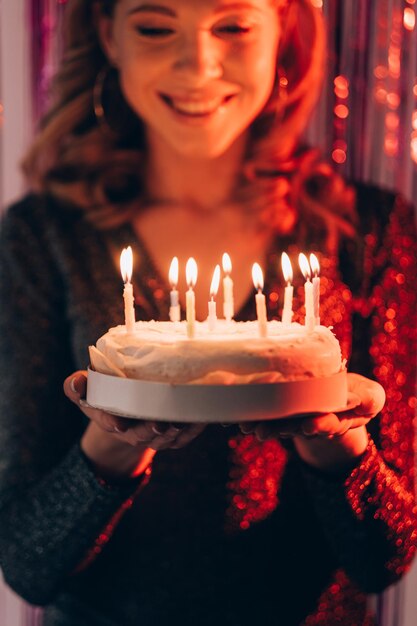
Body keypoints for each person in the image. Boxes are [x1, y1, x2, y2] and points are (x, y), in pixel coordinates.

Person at [0, 0, 416, 624]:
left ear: (284, 35)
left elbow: (387, 560)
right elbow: (28, 567)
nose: (197, 64)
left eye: (233, 26)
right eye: (155, 26)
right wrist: (111, 444)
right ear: (110, 38)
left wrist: (338, 441)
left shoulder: (372, 231)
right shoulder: (43, 236)